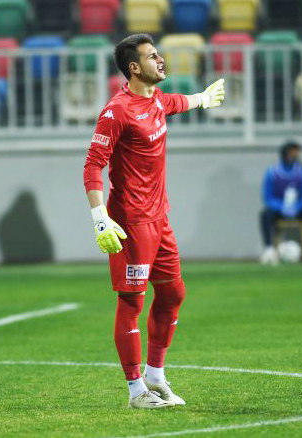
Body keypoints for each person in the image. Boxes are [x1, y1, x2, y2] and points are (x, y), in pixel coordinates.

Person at [82, 34, 225, 409]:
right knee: (131, 303)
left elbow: (175, 103)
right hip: (131, 224)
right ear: (134, 67)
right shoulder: (116, 112)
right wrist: (100, 218)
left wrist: (203, 98)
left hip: (160, 219)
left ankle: (156, 374)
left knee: (173, 294)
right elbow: (93, 166)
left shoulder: (156, 99)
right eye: (152, 56)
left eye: (159, 54)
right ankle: (136, 391)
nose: (160, 60)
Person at [259, 141, 302, 265]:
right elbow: (268, 197)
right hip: (279, 210)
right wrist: (281, 207)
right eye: (292, 152)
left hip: (298, 209)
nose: (295, 155)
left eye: (296, 152)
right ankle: (269, 249)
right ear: (284, 153)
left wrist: (296, 207)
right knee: (265, 215)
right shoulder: (272, 172)